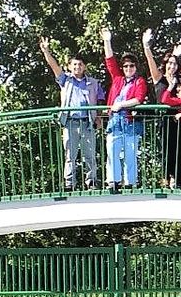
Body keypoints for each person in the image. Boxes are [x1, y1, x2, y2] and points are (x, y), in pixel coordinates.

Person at [38, 37, 103, 191]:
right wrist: (46, 51)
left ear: (84, 67)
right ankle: (69, 183)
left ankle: (92, 181)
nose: (77, 67)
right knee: (70, 155)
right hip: (71, 122)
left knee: (90, 154)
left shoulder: (93, 82)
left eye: (80, 64)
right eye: (74, 64)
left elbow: (100, 99)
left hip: (87, 122)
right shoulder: (66, 80)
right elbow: (54, 66)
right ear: (70, 66)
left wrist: (99, 117)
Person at [100, 27, 148, 189]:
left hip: (129, 121)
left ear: (136, 67)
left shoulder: (139, 81)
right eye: (126, 66)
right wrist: (107, 40)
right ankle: (113, 181)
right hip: (115, 120)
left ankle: (130, 182)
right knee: (112, 151)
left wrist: (121, 104)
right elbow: (110, 60)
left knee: (130, 153)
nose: (128, 68)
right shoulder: (118, 78)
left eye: (132, 66)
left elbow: (138, 99)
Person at [144, 31, 181, 188]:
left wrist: (177, 55)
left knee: (180, 149)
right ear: (165, 65)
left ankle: (179, 180)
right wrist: (146, 46)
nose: (172, 66)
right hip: (164, 119)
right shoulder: (159, 78)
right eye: (170, 63)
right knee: (166, 149)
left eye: (175, 64)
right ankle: (166, 177)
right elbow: (150, 60)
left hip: (179, 118)